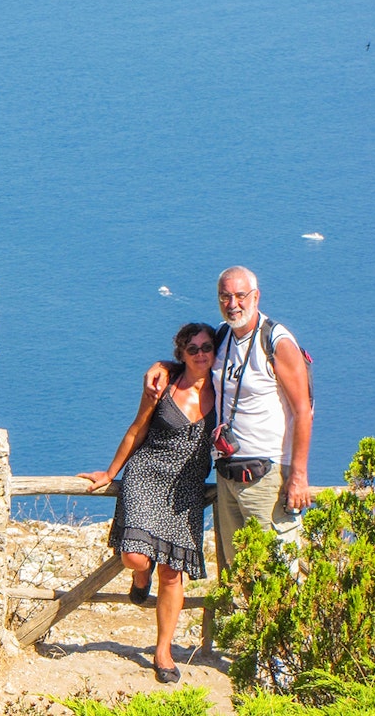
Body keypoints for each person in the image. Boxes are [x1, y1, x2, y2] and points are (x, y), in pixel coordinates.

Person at [145, 266, 313, 574]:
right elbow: (195, 361)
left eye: (240, 295)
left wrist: (298, 477)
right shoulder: (221, 337)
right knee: (237, 572)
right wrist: (164, 366)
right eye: (225, 296)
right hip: (228, 474)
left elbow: (304, 410)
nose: (233, 304)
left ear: (256, 296)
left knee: (277, 571)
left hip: (268, 475)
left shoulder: (277, 342)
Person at [79, 322, 218, 684]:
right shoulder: (164, 386)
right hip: (146, 475)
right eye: (193, 349)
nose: (201, 354)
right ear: (181, 355)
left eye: (207, 347)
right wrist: (111, 473)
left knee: (173, 575)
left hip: (186, 490)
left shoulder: (225, 391)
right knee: (135, 555)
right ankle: (141, 577)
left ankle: (163, 652)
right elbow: (137, 429)